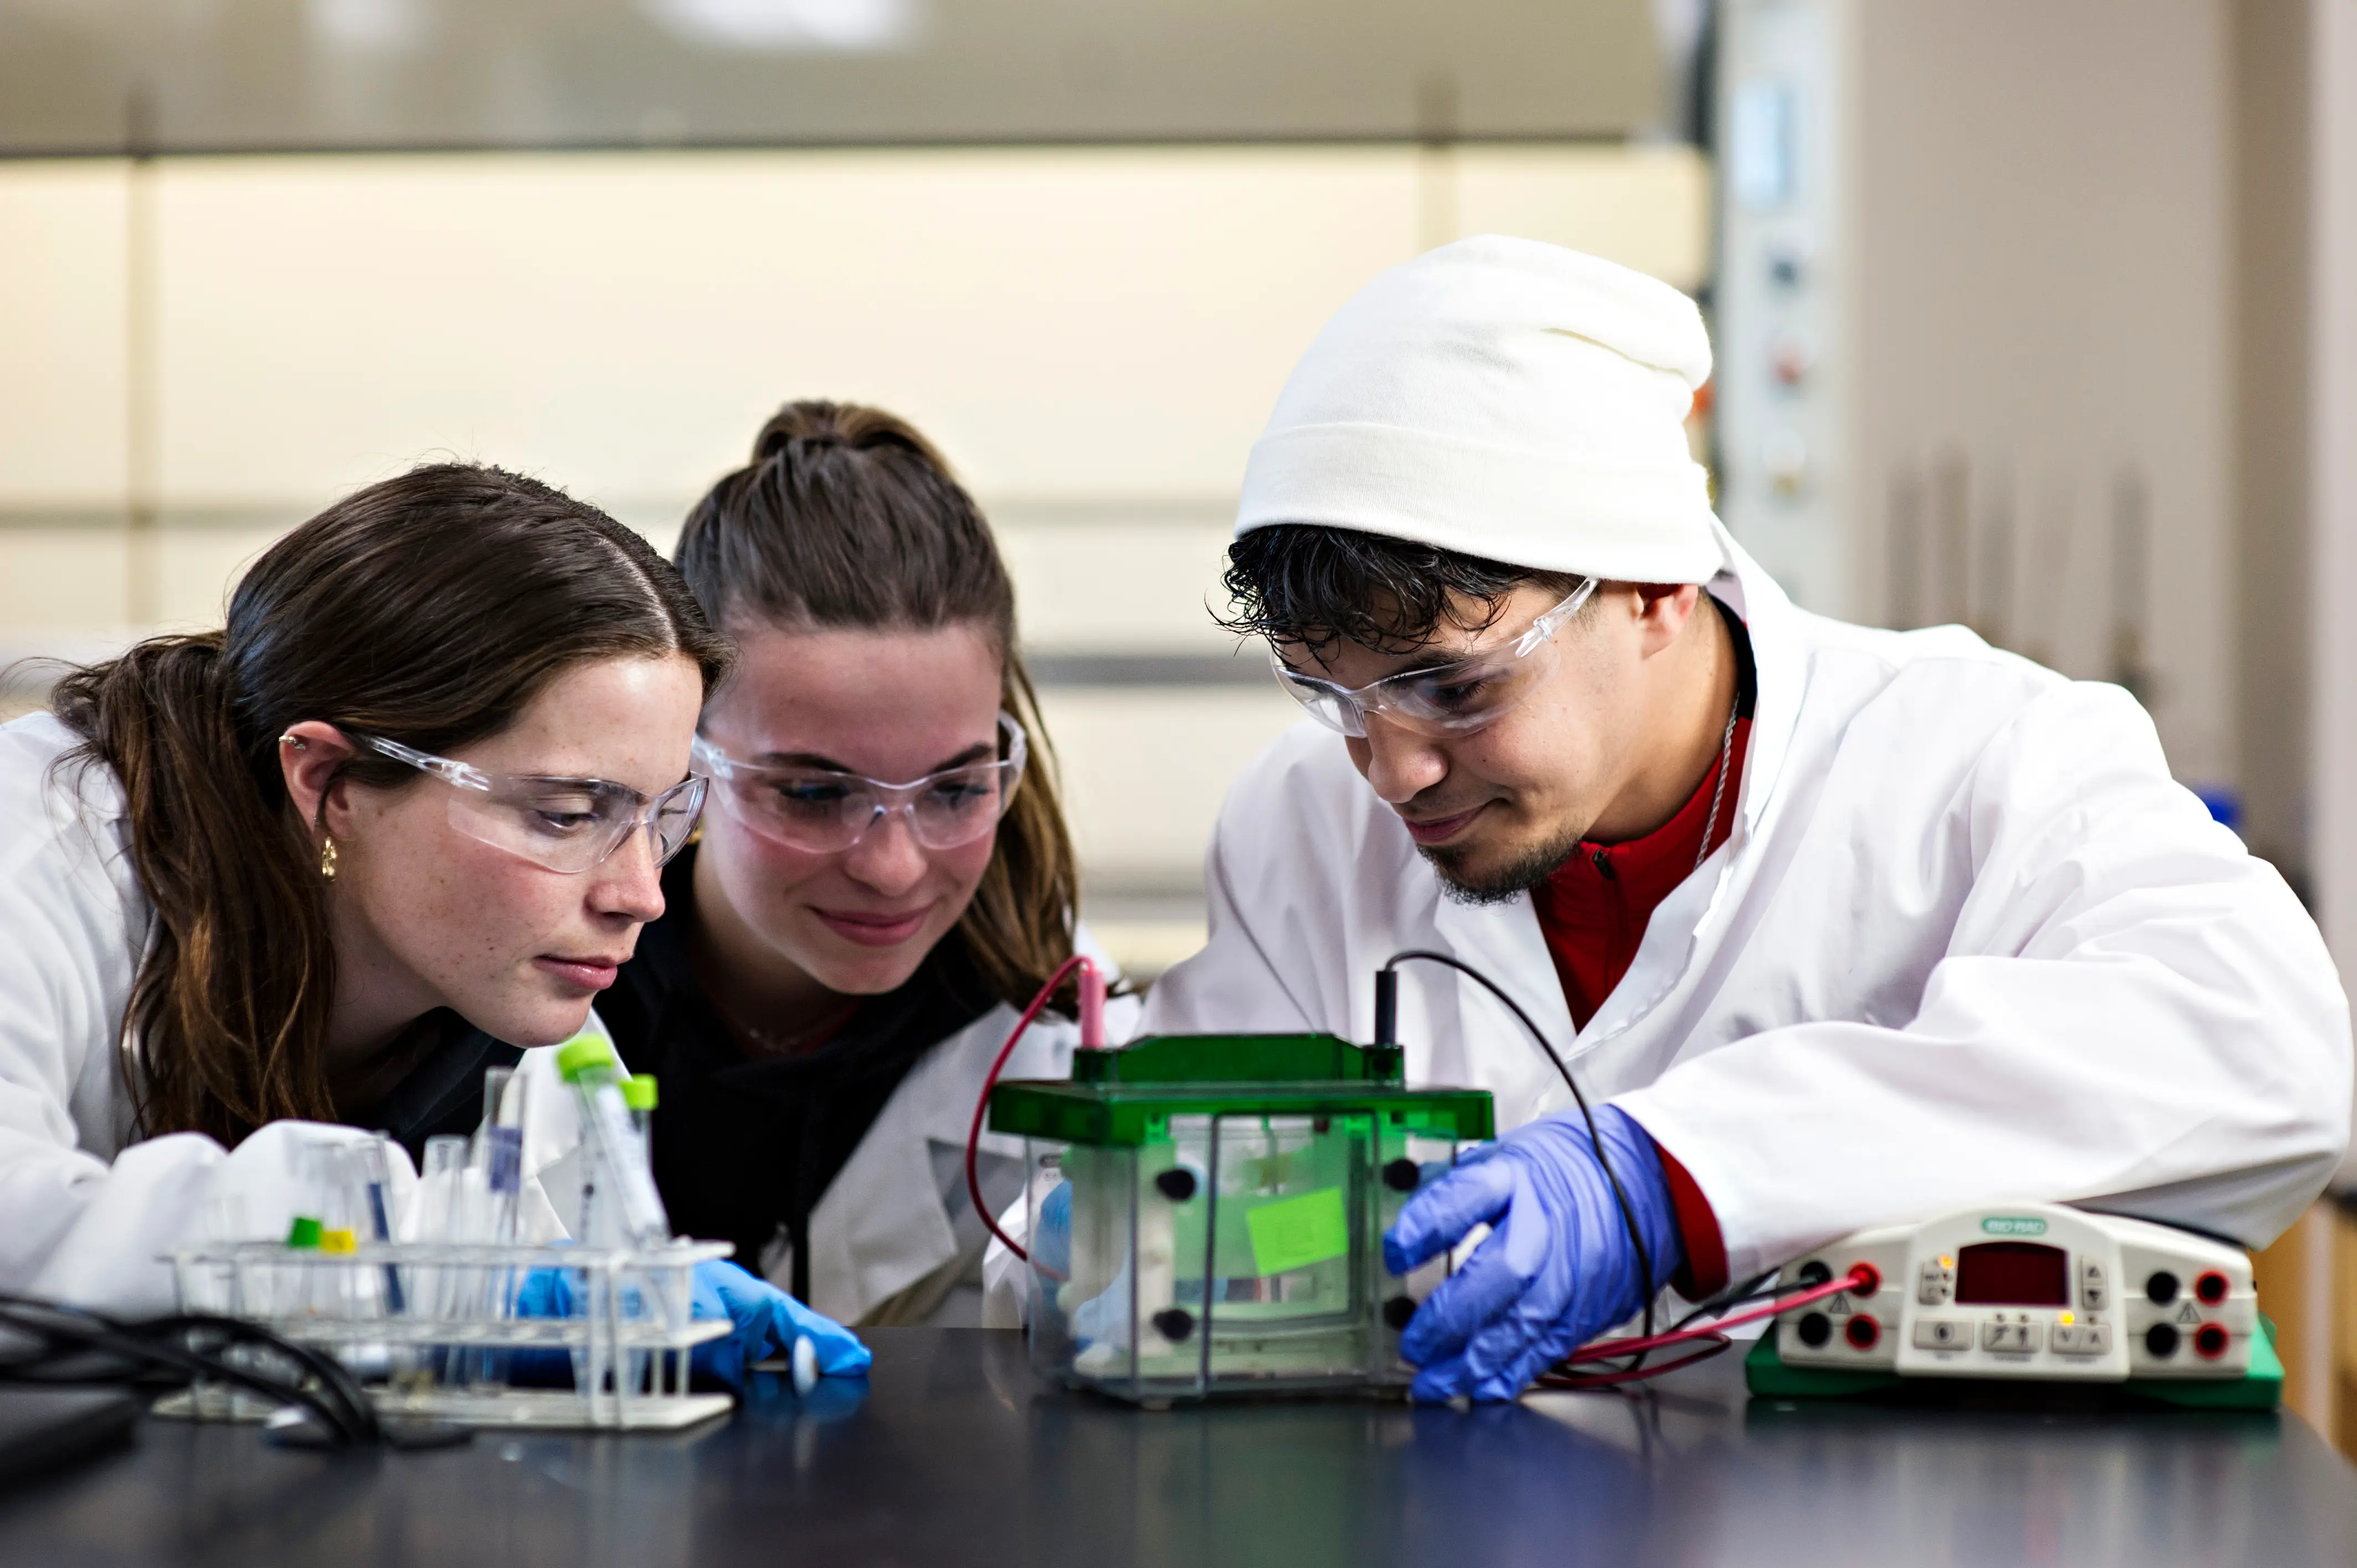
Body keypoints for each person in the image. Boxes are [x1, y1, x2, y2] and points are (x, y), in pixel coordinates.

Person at [1129, 236, 2352, 1401]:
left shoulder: (1980, 758)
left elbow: (2263, 1042)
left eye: (1451, 686)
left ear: (1655, 582)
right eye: (1327, 690)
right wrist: (1135, 1221)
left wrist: (1678, 1176)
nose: (1387, 770)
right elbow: (1186, 1196)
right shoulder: (1300, 821)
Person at [0, 464, 861, 1381]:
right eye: (569, 815)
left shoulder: (535, 1044)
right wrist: (410, 1262)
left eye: (663, 816)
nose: (641, 894)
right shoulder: (41, 857)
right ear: (329, 783)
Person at [595, 400, 1135, 1329]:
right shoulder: (552, 989)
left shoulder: (1057, 1044)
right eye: (813, 795)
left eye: (956, 790)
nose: (893, 868)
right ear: (686, 754)